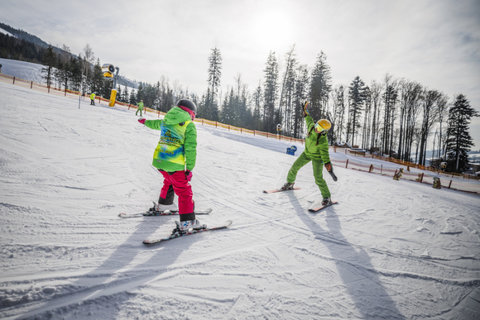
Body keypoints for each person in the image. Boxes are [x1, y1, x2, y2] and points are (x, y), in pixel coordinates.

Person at [138, 99, 203, 234]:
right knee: (184, 191)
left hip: (160, 161)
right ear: (191, 113)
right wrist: (189, 168)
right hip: (174, 163)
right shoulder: (189, 125)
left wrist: (146, 122)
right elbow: (191, 148)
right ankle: (187, 221)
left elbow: (156, 124)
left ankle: (164, 205)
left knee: (169, 181)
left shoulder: (167, 120)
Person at [281, 101, 337, 206]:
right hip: (306, 153)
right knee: (294, 167)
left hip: (317, 158)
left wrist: (330, 171)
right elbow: (307, 117)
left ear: (324, 131)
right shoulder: (311, 127)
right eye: (317, 125)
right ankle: (290, 183)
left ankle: (327, 197)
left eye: (319, 128)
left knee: (318, 178)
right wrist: (305, 109)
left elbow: (325, 157)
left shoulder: (323, 141)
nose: (316, 128)